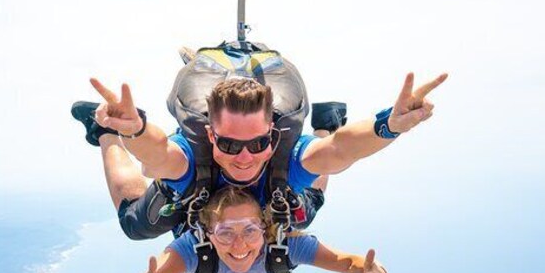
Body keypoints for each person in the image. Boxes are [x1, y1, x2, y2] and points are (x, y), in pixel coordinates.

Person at [73, 72, 446, 240]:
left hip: (281, 174)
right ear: (209, 135)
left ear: (274, 133)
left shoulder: (285, 153)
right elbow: (157, 155)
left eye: (257, 142)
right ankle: (103, 131)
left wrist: (390, 125)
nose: (245, 157)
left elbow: (340, 150)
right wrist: (130, 129)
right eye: (230, 144)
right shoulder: (192, 157)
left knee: (302, 209)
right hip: (187, 180)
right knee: (136, 224)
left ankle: (325, 122)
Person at [126, 187, 389, 273]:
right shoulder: (193, 248)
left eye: (250, 231)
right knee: (132, 218)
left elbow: (348, 263)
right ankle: (105, 133)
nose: (239, 245)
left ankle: (326, 126)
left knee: (307, 205)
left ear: (264, 228)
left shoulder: (284, 243)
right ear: (206, 233)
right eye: (226, 233)